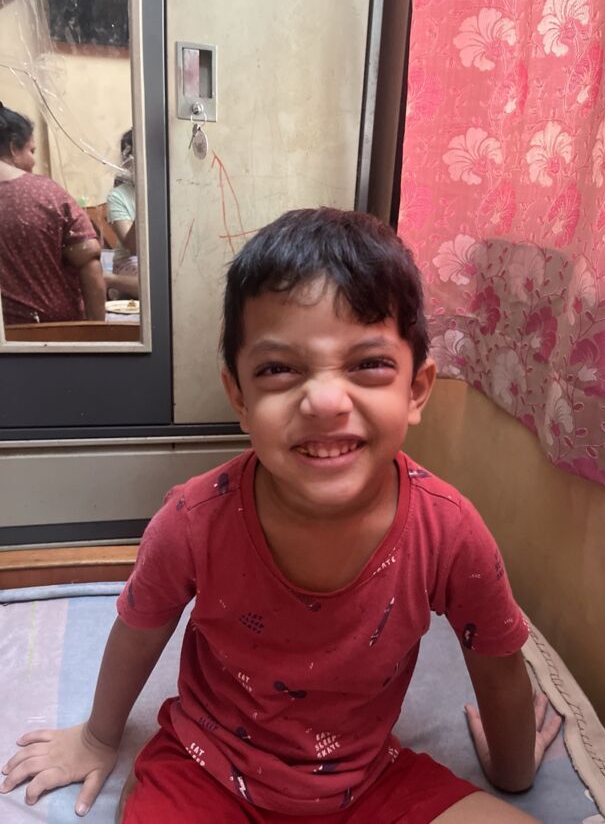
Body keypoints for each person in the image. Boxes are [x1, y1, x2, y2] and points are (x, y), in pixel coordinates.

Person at [0, 208, 561, 822]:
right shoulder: (193, 520)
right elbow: (139, 630)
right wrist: (96, 738)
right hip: (207, 770)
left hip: (370, 781)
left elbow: (498, 664)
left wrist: (513, 768)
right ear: (239, 396)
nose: (324, 400)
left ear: (416, 389)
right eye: (278, 369)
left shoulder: (450, 531)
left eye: (368, 364)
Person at [0, 102, 105, 324]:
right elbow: (89, 260)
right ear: (13, 148)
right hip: (53, 333)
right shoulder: (47, 194)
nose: (33, 161)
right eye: (31, 151)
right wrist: (97, 330)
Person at [104, 128, 139, 300]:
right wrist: (146, 201)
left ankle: (119, 284)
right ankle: (113, 281)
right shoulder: (118, 196)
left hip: (164, 257)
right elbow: (132, 247)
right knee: (155, 282)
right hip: (130, 260)